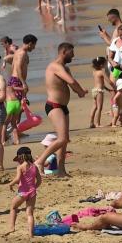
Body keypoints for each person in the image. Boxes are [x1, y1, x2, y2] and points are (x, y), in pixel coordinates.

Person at [36, 43, 87, 177]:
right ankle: (40, 161)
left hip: (63, 107)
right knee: (62, 139)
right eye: (71, 52)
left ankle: (61, 170)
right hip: (54, 106)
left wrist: (80, 92)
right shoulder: (55, 66)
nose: (73, 55)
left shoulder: (65, 68)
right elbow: (71, 81)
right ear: (64, 51)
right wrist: (80, 90)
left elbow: (72, 85)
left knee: (65, 140)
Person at [5, 146, 42, 237]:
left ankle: (12, 227)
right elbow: (39, 180)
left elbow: (17, 179)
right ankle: (30, 234)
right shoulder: (35, 167)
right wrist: (34, 187)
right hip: (32, 192)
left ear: (21, 157)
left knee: (13, 207)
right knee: (30, 213)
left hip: (22, 193)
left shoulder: (20, 167)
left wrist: (10, 184)